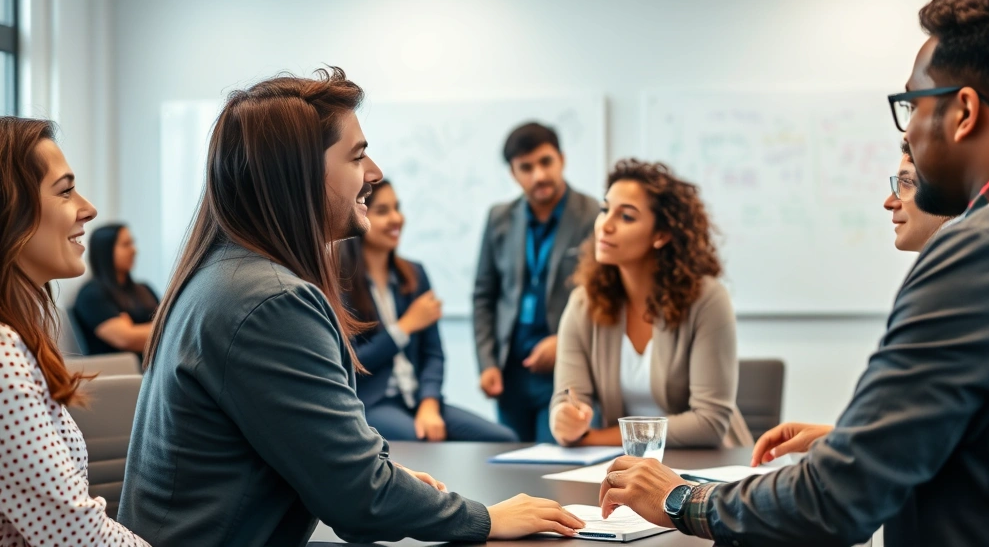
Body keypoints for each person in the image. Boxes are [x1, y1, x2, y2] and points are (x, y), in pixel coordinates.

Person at [600, 0, 989, 547]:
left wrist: (679, 497)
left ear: (964, 112)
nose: (911, 137)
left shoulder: (977, 251)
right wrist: (861, 437)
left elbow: (833, 500)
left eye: (913, 107)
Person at [118, 68, 583, 547]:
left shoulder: (225, 275)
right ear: (300, 173)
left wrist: (381, 474)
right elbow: (361, 502)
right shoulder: (270, 301)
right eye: (357, 155)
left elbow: (325, 459)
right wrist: (483, 518)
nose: (375, 173)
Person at [753, 139, 957, 462]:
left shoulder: (954, 291)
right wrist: (835, 438)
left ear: (951, 189)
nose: (889, 202)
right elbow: (925, 436)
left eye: (905, 183)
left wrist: (693, 501)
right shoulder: (945, 280)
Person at [0, 117, 149, 544]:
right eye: (65, 191)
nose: (88, 207)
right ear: (11, 210)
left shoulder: (18, 341)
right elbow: (79, 535)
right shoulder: (4, 355)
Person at [549, 159, 752, 449]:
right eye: (605, 210)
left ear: (661, 235)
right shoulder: (584, 303)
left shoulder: (708, 300)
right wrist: (565, 420)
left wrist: (594, 438)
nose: (605, 226)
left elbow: (709, 423)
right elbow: (567, 398)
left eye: (626, 217)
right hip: (624, 469)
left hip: (711, 470)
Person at [339, 179, 517, 443]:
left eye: (397, 208)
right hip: (373, 403)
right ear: (360, 215)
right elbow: (351, 362)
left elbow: (433, 353)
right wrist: (405, 327)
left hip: (419, 398)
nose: (396, 218)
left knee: (504, 438)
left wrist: (430, 403)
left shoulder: (415, 274)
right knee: (422, 441)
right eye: (383, 211)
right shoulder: (339, 282)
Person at [474, 122, 601, 443]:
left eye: (546, 162)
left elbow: (606, 293)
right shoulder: (499, 218)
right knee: (513, 466)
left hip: (566, 370)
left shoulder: (593, 216)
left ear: (562, 159)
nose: (539, 175)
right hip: (511, 371)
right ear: (513, 173)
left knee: (558, 462)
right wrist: (487, 362)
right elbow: (484, 295)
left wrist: (564, 340)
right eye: (526, 167)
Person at [73, 224, 160, 357]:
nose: (134, 250)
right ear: (105, 251)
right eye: (126, 245)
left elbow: (174, 324)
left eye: (132, 243)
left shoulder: (144, 289)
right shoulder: (91, 294)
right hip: (124, 372)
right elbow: (126, 339)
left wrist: (136, 329)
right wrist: (162, 328)